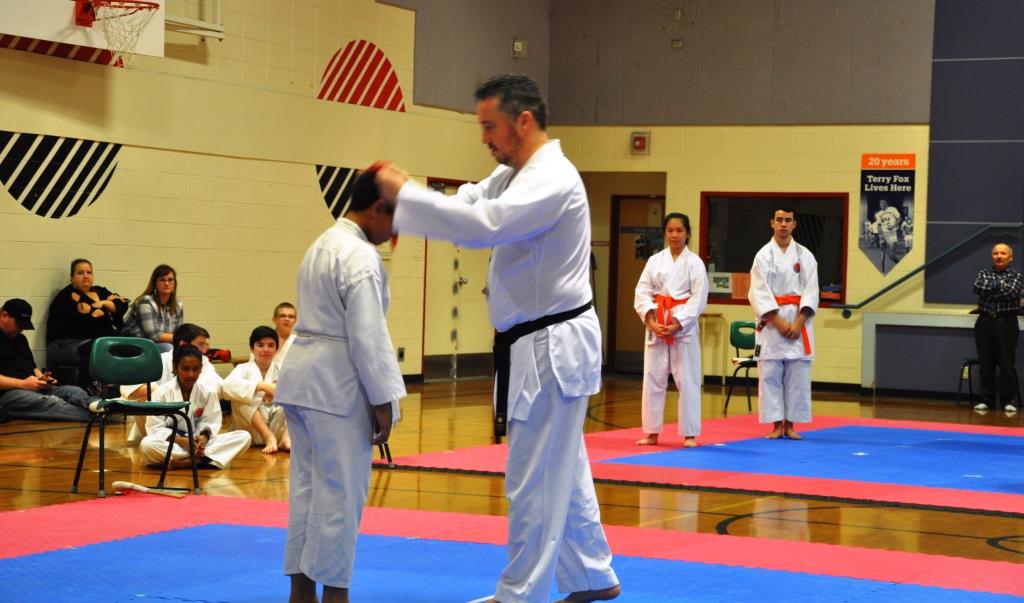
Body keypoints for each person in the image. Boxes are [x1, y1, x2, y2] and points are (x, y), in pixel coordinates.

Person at [376, 73, 620, 603]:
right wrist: (411, 196)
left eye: (491, 126)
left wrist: (405, 197)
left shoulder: (551, 178)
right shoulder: (515, 173)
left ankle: (520, 595)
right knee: (564, 467)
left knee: (534, 477)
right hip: (539, 342)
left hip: (550, 344)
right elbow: (472, 200)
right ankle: (591, 575)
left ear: (523, 121)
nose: (484, 138)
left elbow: (484, 225)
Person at [275, 170, 405, 603]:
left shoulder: (322, 244)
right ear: (378, 208)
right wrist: (384, 400)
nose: (395, 233)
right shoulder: (361, 256)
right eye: (396, 220)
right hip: (336, 384)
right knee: (340, 494)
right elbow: (368, 334)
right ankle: (336, 595)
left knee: (307, 489)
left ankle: (301, 591)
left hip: (301, 376)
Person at [633, 213, 708, 447]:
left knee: (687, 379)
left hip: (682, 326)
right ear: (665, 233)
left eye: (679, 230)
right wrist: (651, 321)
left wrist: (678, 323)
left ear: (687, 233)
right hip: (657, 323)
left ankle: (689, 433)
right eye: (670, 230)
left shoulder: (694, 263)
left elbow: (699, 298)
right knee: (653, 378)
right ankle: (651, 432)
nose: (674, 235)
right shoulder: (655, 261)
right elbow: (642, 293)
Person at [748, 208, 819, 440]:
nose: (783, 224)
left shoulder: (805, 256)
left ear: (794, 224)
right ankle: (777, 425)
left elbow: (812, 291)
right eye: (779, 220)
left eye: (788, 220)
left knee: (797, 378)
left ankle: (791, 425)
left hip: (799, 319)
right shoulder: (763, 256)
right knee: (770, 375)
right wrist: (777, 321)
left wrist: (799, 322)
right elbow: (758, 292)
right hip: (771, 322)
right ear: (772, 223)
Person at [139, 345, 251, 469]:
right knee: (147, 445)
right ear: (175, 368)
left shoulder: (208, 392)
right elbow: (155, 428)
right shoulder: (161, 393)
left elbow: (211, 422)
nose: (191, 374)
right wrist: (182, 441)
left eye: (196, 369)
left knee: (244, 437)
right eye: (185, 369)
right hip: (174, 443)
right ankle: (201, 459)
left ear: (201, 368)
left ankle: (187, 461)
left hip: (198, 444)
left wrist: (202, 439)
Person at [0, 299, 93, 422]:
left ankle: (99, 406)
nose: (21, 329)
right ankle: (97, 415)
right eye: (19, 324)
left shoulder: (20, 339)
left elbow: (32, 367)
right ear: (4, 315)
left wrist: (42, 378)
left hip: (32, 387)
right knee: (49, 403)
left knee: (74, 391)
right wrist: (22, 384)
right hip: (8, 393)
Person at [45, 258, 128, 388]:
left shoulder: (99, 291)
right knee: (98, 348)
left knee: (125, 344)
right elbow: (91, 320)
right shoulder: (67, 296)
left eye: (89, 272)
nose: (85, 276)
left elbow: (123, 305)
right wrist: (109, 307)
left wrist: (104, 303)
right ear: (72, 277)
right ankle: (89, 388)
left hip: (92, 340)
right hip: (63, 344)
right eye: (80, 273)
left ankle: (125, 387)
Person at [972, 243, 1024, 412]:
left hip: (1006, 323)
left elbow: (1012, 293)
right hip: (985, 322)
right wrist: (1001, 286)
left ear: (1011, 257)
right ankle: (986, 400)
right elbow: (977, 287)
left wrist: (990, 289)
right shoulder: (983, 273)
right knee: (986, 363)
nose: (999, 256)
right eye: (996, 253)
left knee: (1006, 363)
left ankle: (1007, 401)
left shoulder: (1017, 275)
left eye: (1003, 253)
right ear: (992, 256)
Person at [222, 325, 290, 453]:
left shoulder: (283, 370)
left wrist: (278, 393)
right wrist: (262, 387)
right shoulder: (242, 369)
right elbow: (226, 387)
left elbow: (300, 393)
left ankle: (286, 438)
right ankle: (268, 437)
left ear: (277, 349)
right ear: (252, 348)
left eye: (271, 345)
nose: (266, 349)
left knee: (296, 398)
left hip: (278, 427)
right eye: (260, 345)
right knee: (242, 397)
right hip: (250, 432)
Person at [121, 264, 183, 351]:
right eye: (162, 280)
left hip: (161, 344)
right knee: (169, 348)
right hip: (135, 345)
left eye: (170, 280)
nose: (167, 283)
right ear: (155, 284)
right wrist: (181, 339)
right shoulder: (145, 301)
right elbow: (154, 335)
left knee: (190, 350)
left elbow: (179, 332)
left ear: (175, 283)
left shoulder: (178, 305)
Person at [271, 302, 297, 369]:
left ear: (295, 321)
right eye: (282, 316)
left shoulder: (298, 342)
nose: (287, 319)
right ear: (274, 320)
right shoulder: (263, 339)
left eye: (291, 317)